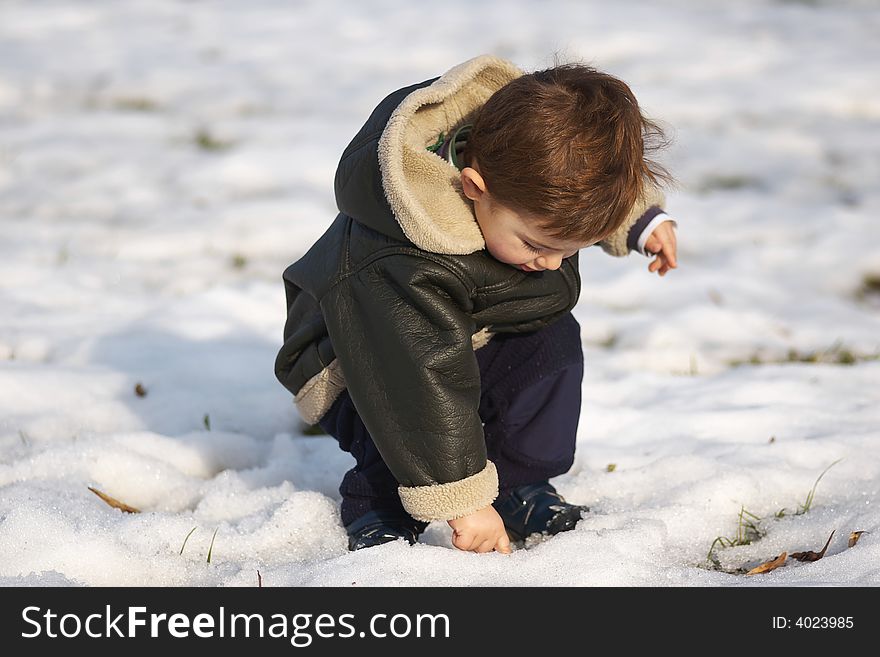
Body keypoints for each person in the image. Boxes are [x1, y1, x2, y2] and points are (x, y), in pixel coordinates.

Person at [275, 54, 677, 554]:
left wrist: (637, 220)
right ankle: (380, 510)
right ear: (473, 188)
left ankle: (516, 483)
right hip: (359, 358)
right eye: (536, 245)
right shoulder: (401, 256)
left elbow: (582, 181)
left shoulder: (519, 165)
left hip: (466, 329)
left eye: (567, 250)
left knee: (550, 343)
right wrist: (464, 501)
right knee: (400, 415)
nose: (551, 264)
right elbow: (417, 381)